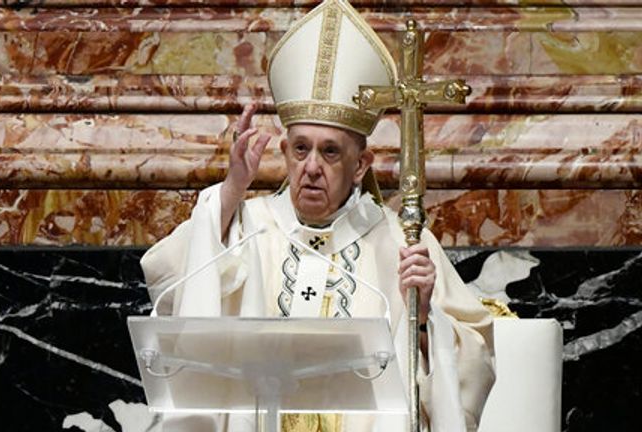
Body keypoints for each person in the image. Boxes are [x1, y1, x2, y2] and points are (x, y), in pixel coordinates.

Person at [141, 1, 495, 431]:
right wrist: (232, 189)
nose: (311, 167)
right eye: (300, 148)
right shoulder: (248, 225)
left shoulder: (402, 241)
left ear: (361, 165)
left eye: (330, 152)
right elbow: (172, 286)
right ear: (285, 152)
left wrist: (423, 324)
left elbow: (471, 356)